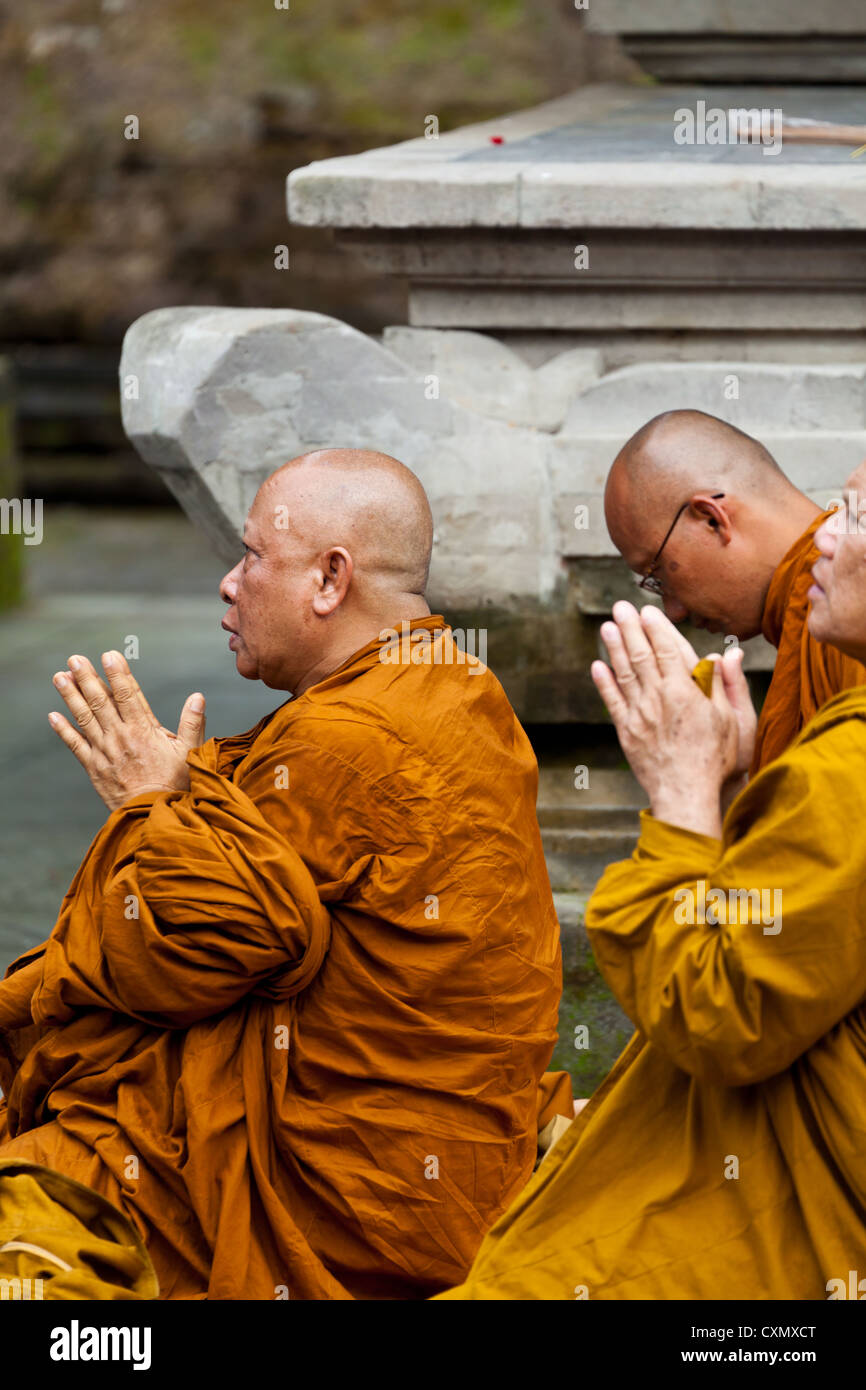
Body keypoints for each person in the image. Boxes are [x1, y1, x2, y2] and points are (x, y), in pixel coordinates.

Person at [0, 448, 565, 1301]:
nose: (229, 584)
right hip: (449, 1162)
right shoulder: (461, 687)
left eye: (254, 556)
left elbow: (187, 963)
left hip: (345, 1195)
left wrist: (147, 806)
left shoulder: (350, 738)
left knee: (40, 1217)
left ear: (330, 579)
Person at [436, 468, 866, 1299]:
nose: (827, 533)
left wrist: (680, 795)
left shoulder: (851, 762)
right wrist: (738, 797)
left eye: (852, 515)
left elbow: (720, 1016)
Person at [605, 408, 866, 771]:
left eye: (659, 575)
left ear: (712, 520)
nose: (674, 610)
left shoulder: (852, 621)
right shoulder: (809, 622)